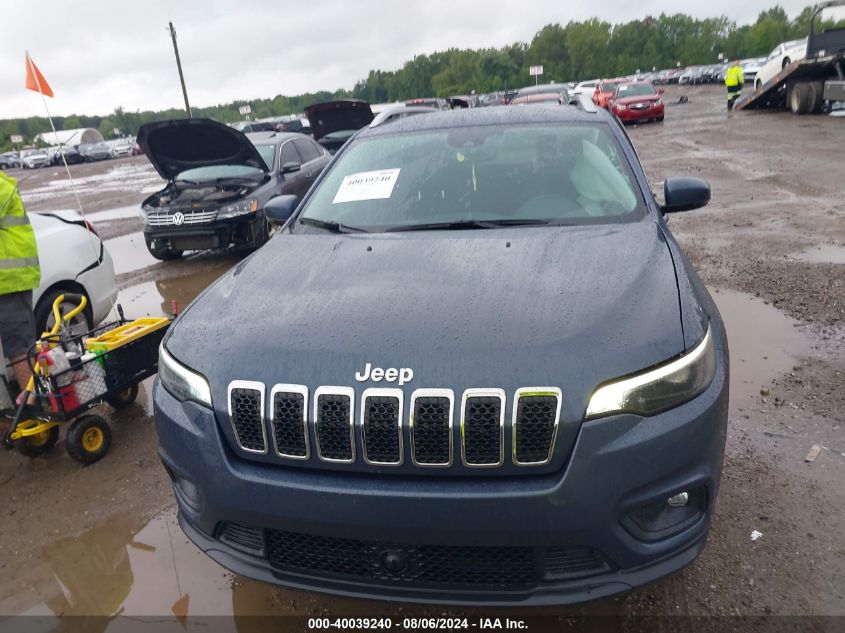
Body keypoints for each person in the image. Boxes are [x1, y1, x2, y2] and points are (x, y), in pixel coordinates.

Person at [0, 170, 40, 409]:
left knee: (19, 344)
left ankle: (32, 403)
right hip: (9, 279)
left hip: (11, 279)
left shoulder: (2, 187)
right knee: (18, 342)